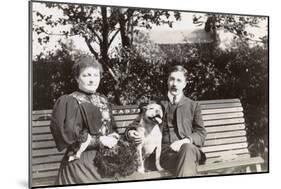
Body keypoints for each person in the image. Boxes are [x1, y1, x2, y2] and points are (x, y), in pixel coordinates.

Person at [126, 65, 207, 177]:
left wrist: (183, 141)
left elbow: (201, 133)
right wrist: (131, 132)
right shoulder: (156, 104)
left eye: (179, 80)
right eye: (172, 79)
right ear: (167, 81)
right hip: (163, 156)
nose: (174, 84)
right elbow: (134, 125)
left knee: (187, 149)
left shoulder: (193, 105)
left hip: (188, 151)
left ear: (184, 84)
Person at [50, 55, 119, 185]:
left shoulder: (103, 100)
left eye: (96, 75)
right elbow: (69, 136)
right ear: (77, 78)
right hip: (81, 160)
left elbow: (112, 128)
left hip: (106, 159)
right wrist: (99, 140)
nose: (92, 80)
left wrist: (114, 137)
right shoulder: (70, 101)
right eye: (87, 75)